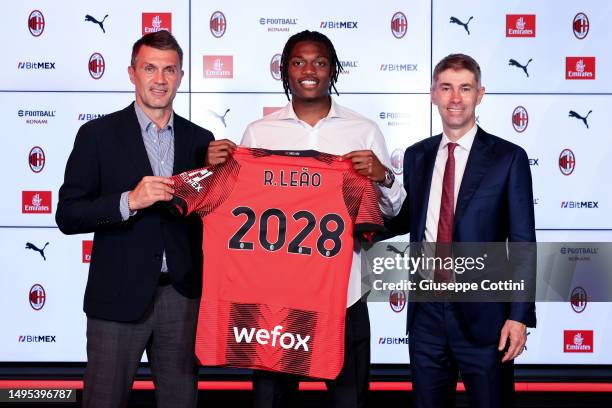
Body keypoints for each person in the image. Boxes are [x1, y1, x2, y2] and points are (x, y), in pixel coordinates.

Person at [208, 30, 403, 408]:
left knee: (350, 401)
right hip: (275, 300)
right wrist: (215, 171)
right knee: (271, 401)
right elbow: (232, 210)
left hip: (342, 295)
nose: (309, 70)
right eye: (298, 62)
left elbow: (390, 211)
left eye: (320, 62)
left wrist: (384, 175)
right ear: (285, 71)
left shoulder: (363, 131)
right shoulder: (258, 132)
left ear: (333, 70)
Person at [56, 31, 214, 408]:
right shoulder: (97, 135)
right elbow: (68, 214)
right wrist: (129, 200)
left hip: (182, 298)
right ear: (132, 73)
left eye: (169, 70)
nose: (160, 79)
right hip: (116, 298)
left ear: (180, 76)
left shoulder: (201, 139)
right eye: (150, 68)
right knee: (103, 401)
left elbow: (212, 216)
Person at [388, 54, 536, 408]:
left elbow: (521, 243)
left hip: (485, 317)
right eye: (447, 88)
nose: (455, 98)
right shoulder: (416, 156)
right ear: (433, 94)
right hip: (425, 315)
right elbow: (410, 218)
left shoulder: (508, 157)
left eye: (465, 88)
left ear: (480, 94)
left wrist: (518, 315)